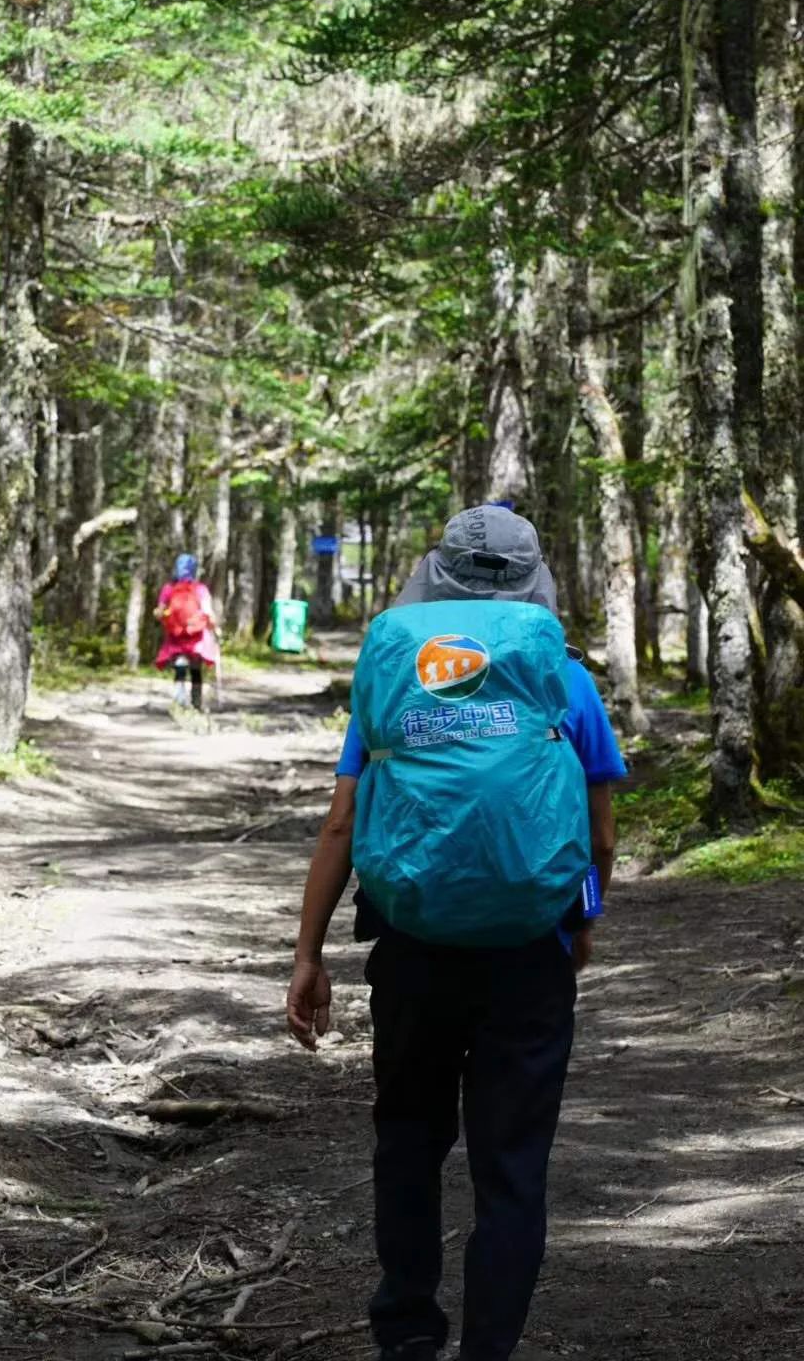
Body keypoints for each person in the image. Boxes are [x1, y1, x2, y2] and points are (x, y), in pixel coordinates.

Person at [285, 505, 627, 1361]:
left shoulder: (396, 671)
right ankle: (488, 1352)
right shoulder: (564, 677)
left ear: (438, 572)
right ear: (533, 580)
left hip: (413, 945)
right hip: (528, 950)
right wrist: (579, 918)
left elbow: (340, 826)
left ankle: (406, 1335)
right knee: (511, 1166)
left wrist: (308, 953)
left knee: (408, 1140)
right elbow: (603, 836)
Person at [155, 553, 219, 711]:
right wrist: (214, 626)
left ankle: (179, 702)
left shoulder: (168, 589)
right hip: (196, 636)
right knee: (196, 669)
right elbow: (208, 612)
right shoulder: (200, 589)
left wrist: (166, 618)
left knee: (179, 667)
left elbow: (159, 612)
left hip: (176, 635)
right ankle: (196, 702)